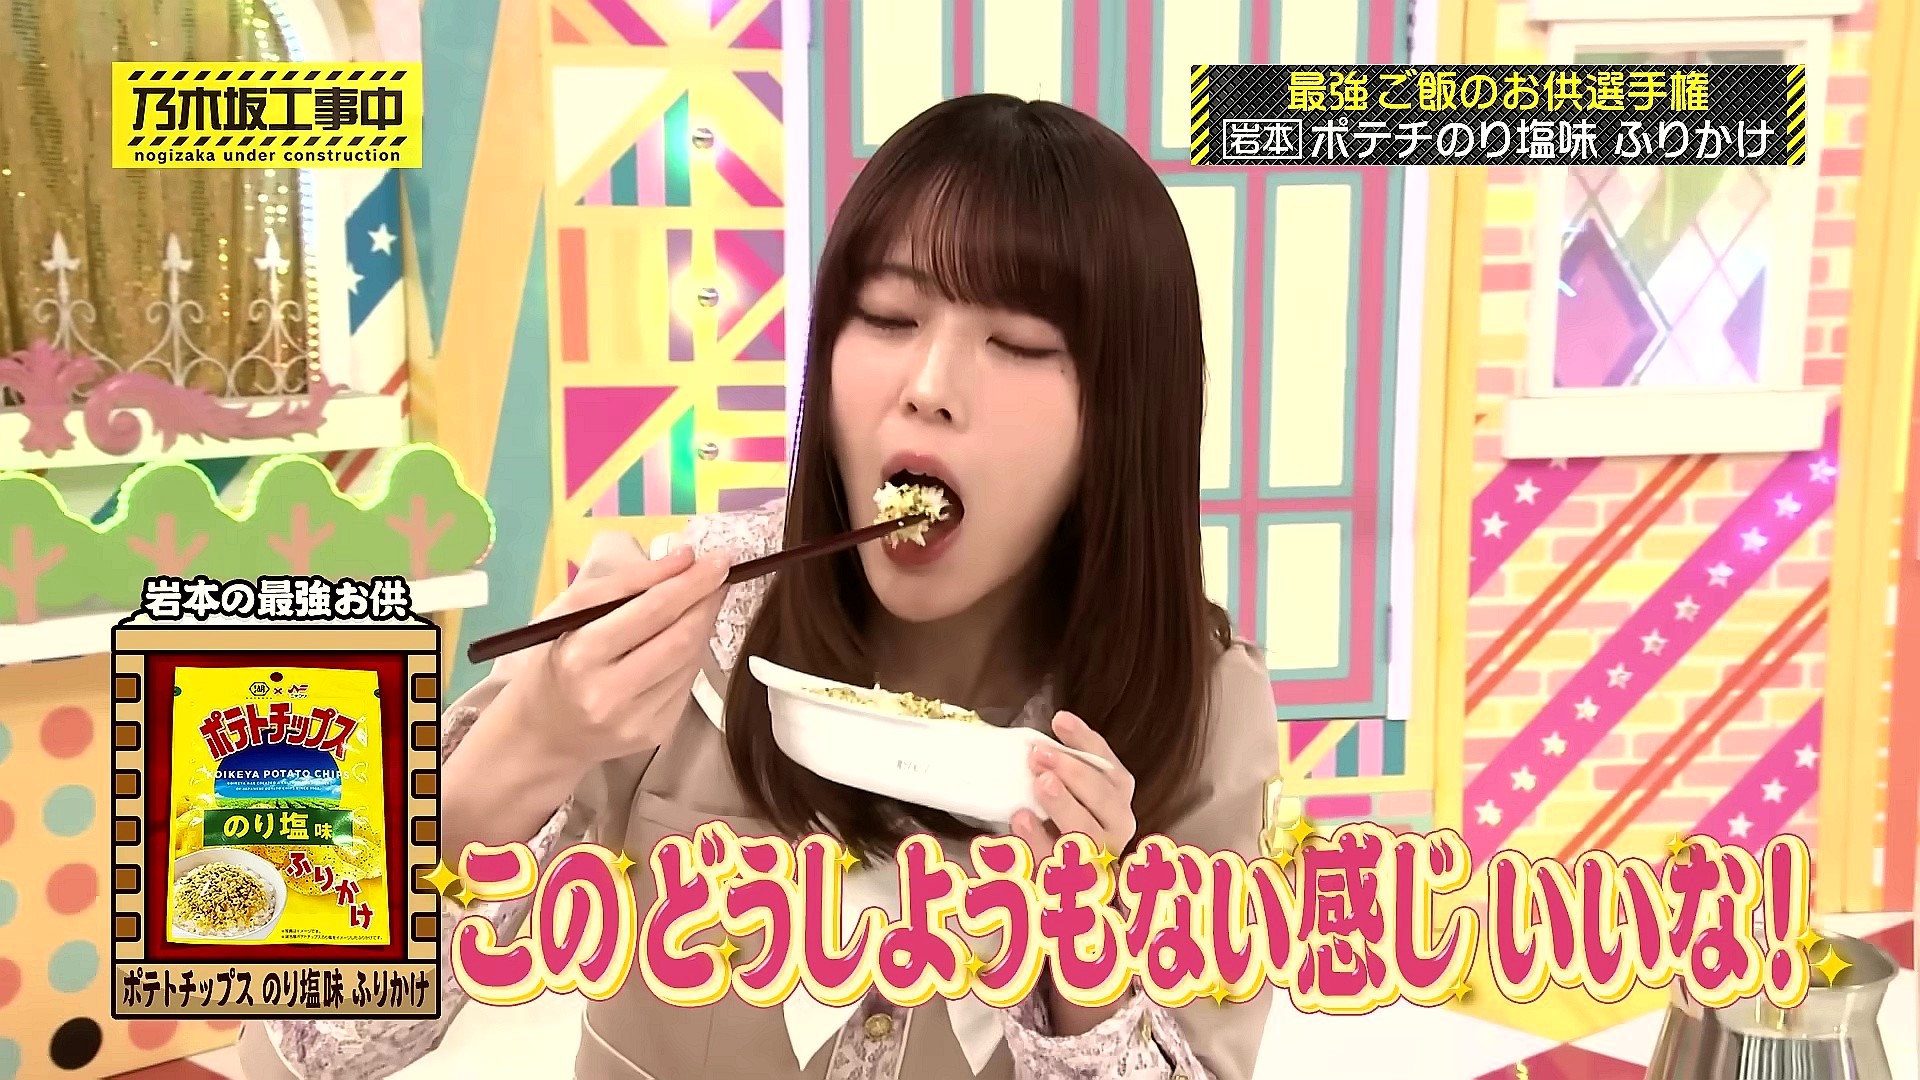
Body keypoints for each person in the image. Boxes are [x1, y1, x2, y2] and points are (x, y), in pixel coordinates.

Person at [240, 93, 1278, 1080]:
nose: (929, 388)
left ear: (1123, 414)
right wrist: (536, 739)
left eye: (1019, 344)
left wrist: (1081, 964)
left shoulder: (1203, 709)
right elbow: (301, 1040)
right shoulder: (675, 619)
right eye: (887, 316)